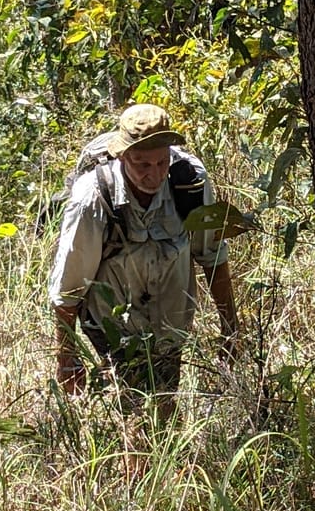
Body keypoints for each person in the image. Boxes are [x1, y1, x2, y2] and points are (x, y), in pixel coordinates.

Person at [49, 102, 240, 400]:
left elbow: (212, 256)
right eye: (142, 165)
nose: (155, 174)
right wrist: (67, 358)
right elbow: (68, 288)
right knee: (133, 407)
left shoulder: (189, 183)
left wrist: (230, 328)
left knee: (164, 404)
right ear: (123, 156)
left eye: (162, 162)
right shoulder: (93, 198)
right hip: (113, 327)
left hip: (170, 328)